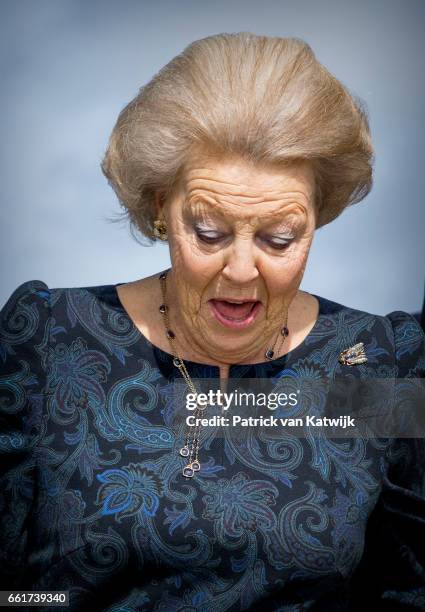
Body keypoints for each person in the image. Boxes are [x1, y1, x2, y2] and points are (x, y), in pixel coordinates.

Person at [1, 32, 424, 611]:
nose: (242, 270)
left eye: (280, 238)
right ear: (159, 208)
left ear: (317, 221)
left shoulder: (379, 362)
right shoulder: (50, 341)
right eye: (209, 233)